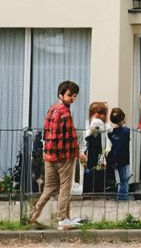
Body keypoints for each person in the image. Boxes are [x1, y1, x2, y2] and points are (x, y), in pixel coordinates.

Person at [28, 80, 87, 230]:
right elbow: (68, 136)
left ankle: (34, 214)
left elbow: (48, 133)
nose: (72, 98)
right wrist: (77, 153)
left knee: (49, 187)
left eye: (74, 96)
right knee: (65, 188)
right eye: (69, 95)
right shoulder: (65, 113)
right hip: (64, 156)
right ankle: (62, 219)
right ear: (60, 95)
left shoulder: (52, 109)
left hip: (49, 156)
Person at [106, 108, 131, 202]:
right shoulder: (126, 131)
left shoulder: (110, 132)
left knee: (117, 180)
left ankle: (119, 196)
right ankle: (123, 197)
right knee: (124, 179)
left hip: (113, 157)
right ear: (121, 120)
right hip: (123, 158)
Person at [83, 101, 109, 193]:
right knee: (91, 168)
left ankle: (96, 188)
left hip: (97, 152)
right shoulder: (89, 126)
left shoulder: (103, 128)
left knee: (97, 168)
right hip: (91, 152)